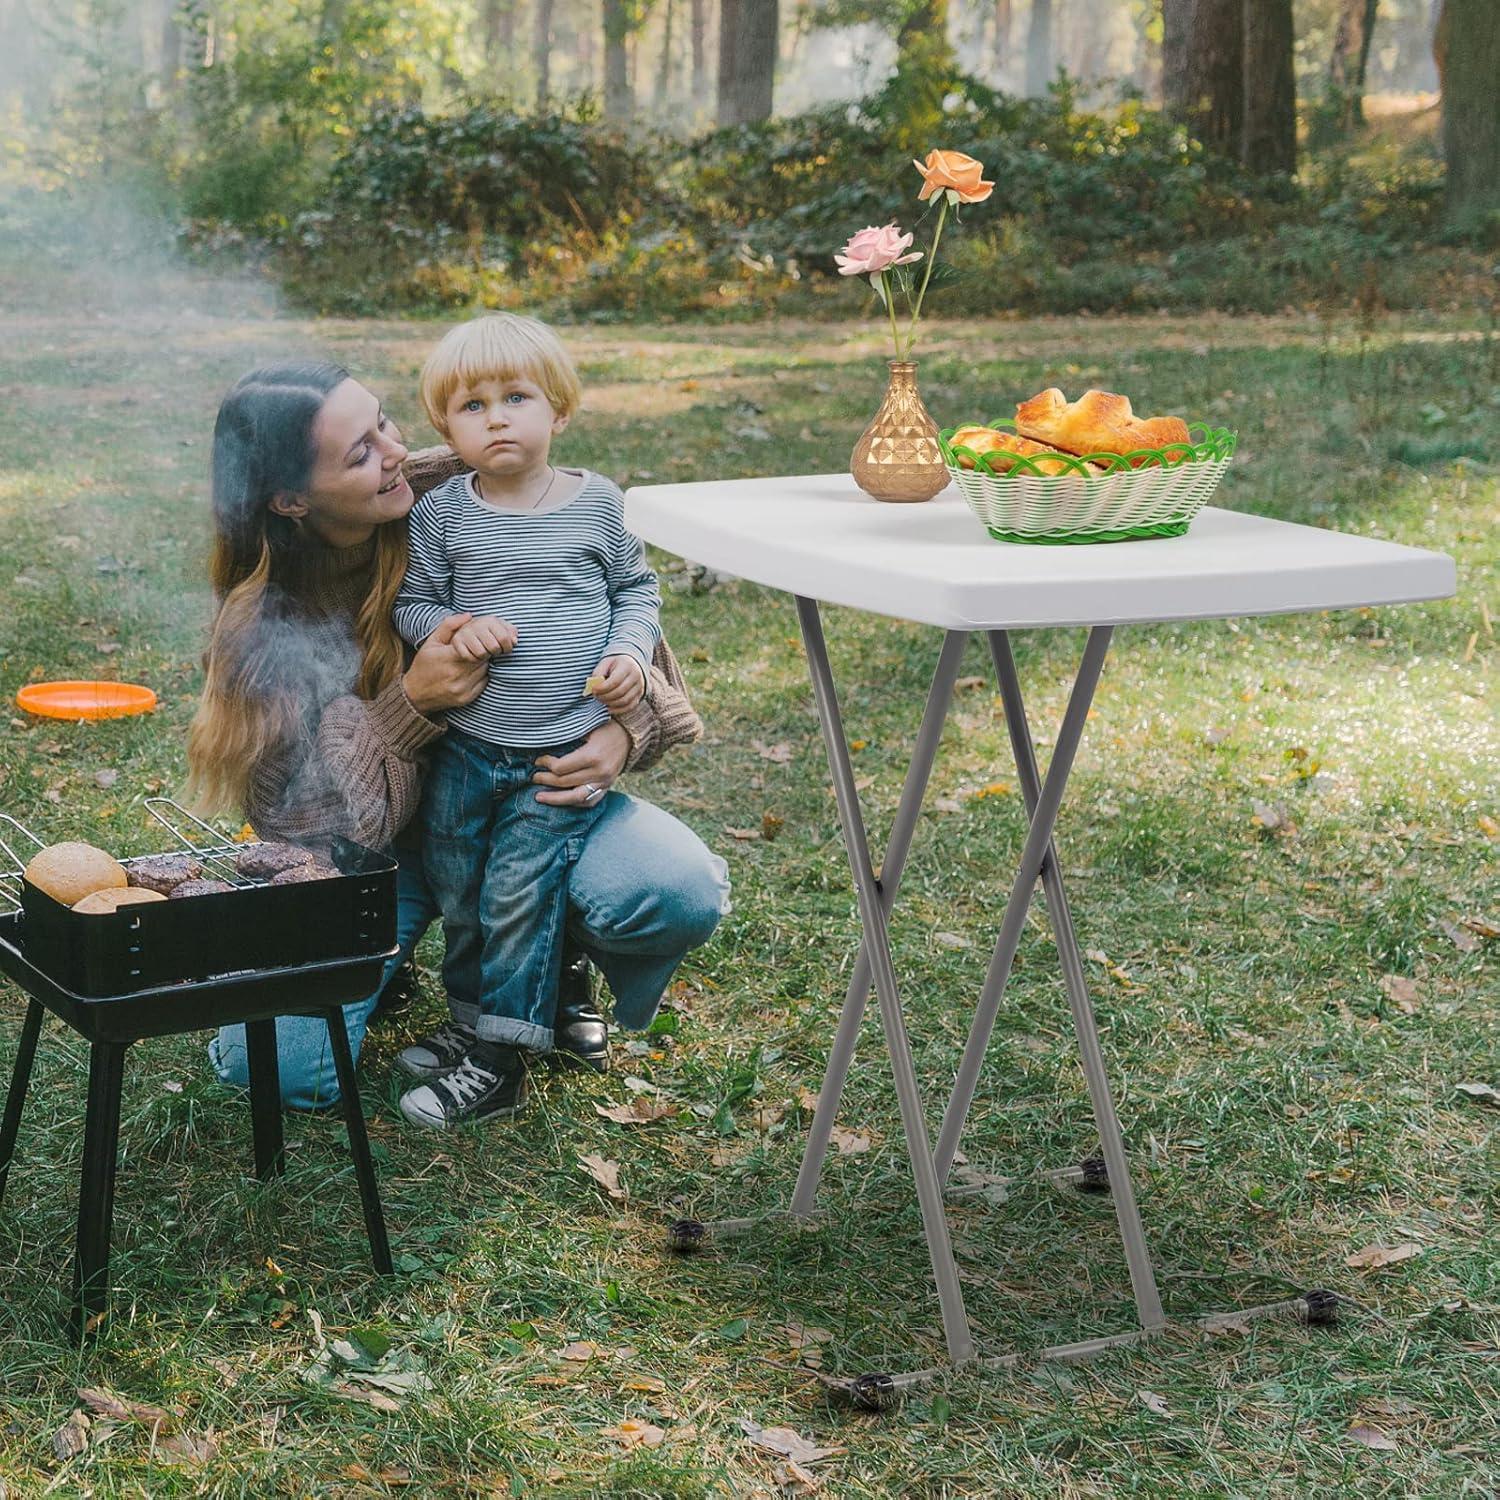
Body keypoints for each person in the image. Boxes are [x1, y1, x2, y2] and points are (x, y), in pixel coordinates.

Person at [186, 361, 728, 1112]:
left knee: (675, 890)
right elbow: (306, 827)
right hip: (380, 863)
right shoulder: (261, 628)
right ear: (290, 500)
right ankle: (378, 963)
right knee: (278, 1070)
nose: (395, 452)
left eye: (384, 421)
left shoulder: (461, 486)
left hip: (527, 801)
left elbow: (618, 618)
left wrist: (620, 731)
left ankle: (552, 951)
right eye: (360, 452)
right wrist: (411, 704)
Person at [391, 313, 662, 1128]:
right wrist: (449, 629)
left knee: (517, 893)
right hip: (470, 751)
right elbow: (415, 602)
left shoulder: (597, 505)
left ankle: (502, 1063)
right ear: (447, 428)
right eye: (472, 406)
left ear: (561, 411)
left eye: (516, 397)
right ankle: (474, 1024)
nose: (497, 417)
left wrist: (633, 659)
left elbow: (636, 591)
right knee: (462, 889)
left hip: (558, 754)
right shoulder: (444, 515)